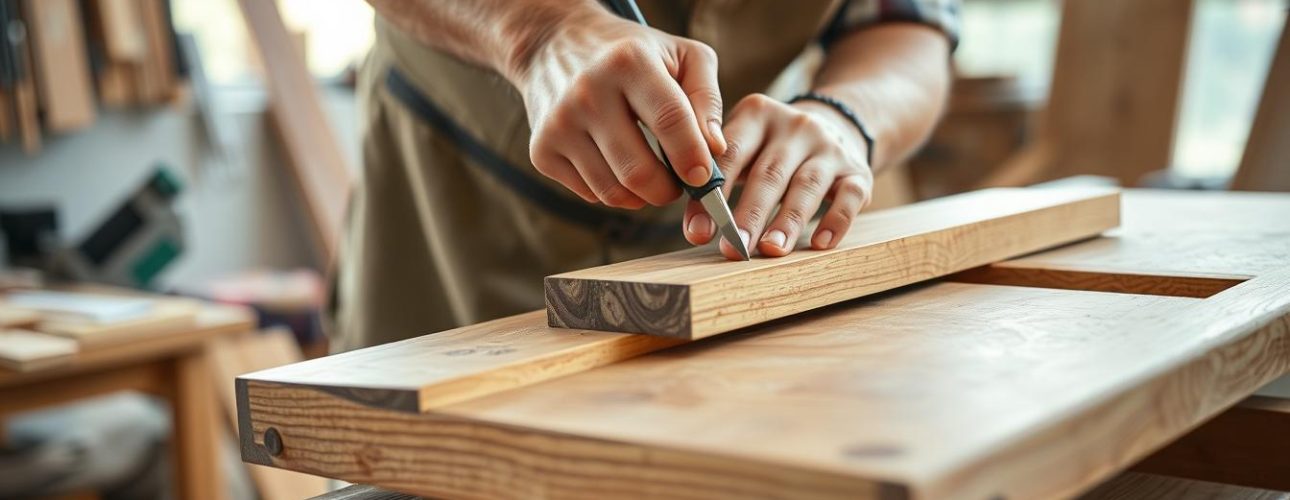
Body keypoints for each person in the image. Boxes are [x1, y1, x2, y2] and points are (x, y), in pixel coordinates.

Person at [330, 0, 957, 351]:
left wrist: (848, 116)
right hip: (450, 207)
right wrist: (538, 31)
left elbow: (906, 23)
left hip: (708, 249)